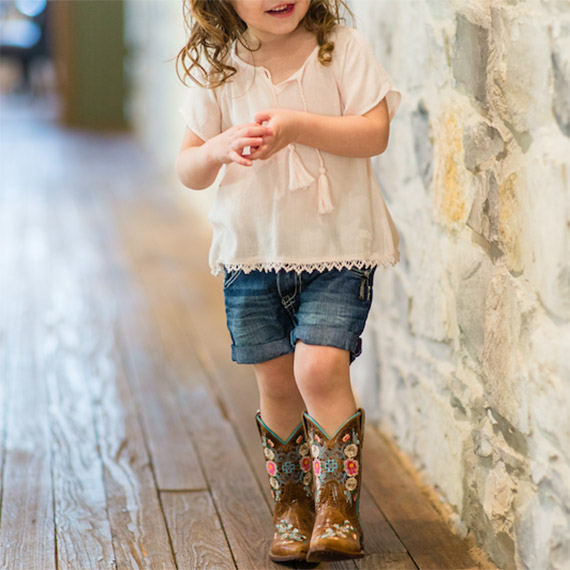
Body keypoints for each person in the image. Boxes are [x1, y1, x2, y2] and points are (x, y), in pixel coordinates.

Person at [175, 0, 401, 563]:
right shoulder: (221, 66)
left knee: (319, 367)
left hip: (336, 251)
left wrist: (298, 125)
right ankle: (293, 508)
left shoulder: (340, 49)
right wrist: (215, 149)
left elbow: (374, 133)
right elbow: (188, 167)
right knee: (276, 381)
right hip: (253, 255)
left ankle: (336, 510)